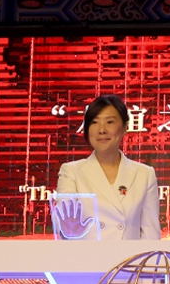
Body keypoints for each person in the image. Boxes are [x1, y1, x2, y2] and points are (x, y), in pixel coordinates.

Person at [55, 95, 161, 240]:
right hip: (87, 254)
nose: (102, 130)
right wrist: (69, 231)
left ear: (124, 127)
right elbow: (63, 219)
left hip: (129, 255)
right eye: (94, 122)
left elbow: (151, 235)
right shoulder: (71, 172)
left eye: (110, 122)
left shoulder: (145, 174)